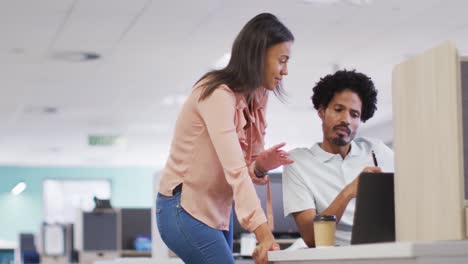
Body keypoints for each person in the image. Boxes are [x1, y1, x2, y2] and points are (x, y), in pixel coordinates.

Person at [156, 13, 294, 264]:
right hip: (183, 207)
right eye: (282, 60)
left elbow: (248, 168)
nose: (285, 71)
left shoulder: (259, 96)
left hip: (219, 209)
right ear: (259, 55)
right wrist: (263, 235)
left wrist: (261, 166)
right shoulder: (217, 94)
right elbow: (236, 171)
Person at [282, 69, 394, 247]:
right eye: (338, 109)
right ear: (321, 111)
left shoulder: (376, 151)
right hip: (332, 256)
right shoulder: (298, 162)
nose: (346, 119)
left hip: (379, 250)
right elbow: (312, 238)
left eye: (354, 114)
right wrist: (349, 192)